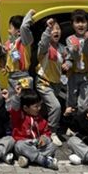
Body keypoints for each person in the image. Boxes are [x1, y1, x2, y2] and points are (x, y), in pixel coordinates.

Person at [7, 86, 59, 170]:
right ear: (25, 108)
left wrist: (44, 138)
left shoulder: (40, 119)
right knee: (19, 145)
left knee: (52, 146)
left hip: (37, 146)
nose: (39, 108)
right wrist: (17, 96)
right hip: (25, 144)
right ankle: (42, 160)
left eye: (40, 105)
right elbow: (15, 108)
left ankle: (28, 159)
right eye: (36, 106)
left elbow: (47, 132)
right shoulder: (19, 117)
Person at [35, 18, 67, 146]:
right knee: (56, 106)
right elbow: (43, 42)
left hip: (57, 84)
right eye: (52, 29)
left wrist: (68, 64)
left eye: (58, 28)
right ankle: (52, 132)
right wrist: (48, 29)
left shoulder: (62, 48)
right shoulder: (44, 47)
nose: (56, 31)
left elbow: (70, 60)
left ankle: (40, 128)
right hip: (44, 82)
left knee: (45, 108)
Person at [64, 9, 88, 113]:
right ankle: (71, 119)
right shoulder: (70, 39)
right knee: (71, 100)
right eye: (77, 22)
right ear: (72, 24)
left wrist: (86, 41)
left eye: (83, 22)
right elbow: (71, 57)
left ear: (87, 23)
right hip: (73, 74)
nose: (80, 25)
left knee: (83, 104)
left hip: (86, 75)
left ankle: (81, 118)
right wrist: (73, 52)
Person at [3, 10, 35, 101]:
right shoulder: (11, 43)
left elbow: (24, 27)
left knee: (25, 101)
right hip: (11, 77)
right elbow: (11, 58)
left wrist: (29, 14)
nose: (8, 31)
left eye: (11, 28)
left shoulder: (25, 42)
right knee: (12, 102)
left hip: (23, 78)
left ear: (19, 32)